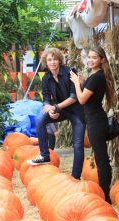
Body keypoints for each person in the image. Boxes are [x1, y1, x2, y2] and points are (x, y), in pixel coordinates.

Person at [27, 47, 85, 180]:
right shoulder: (46, 78)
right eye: (49, 60)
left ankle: (75, 178)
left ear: (59, 60)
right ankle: (44, 154)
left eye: (55, 59)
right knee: (40, 119)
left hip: (77, 111)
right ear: (46, 62)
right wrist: (49, 108)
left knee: (77, 144)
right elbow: (46, 99)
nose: (52, 62)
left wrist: (55, 107)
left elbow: (74, 97)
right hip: (61, 110)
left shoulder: (70, 72)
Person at [70, 46, 115, 203]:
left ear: (102, 60)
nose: (90, 60)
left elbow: (82, 99)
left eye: (94, 57)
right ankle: (104, 193)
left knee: (102, 160)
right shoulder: (96, 75)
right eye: (88, 57)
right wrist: (83, 82)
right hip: (95, 120)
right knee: (101, 158)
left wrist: (76, 82)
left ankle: (105, 196)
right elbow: (90, 95)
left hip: (96, 122)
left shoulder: (97, 77)